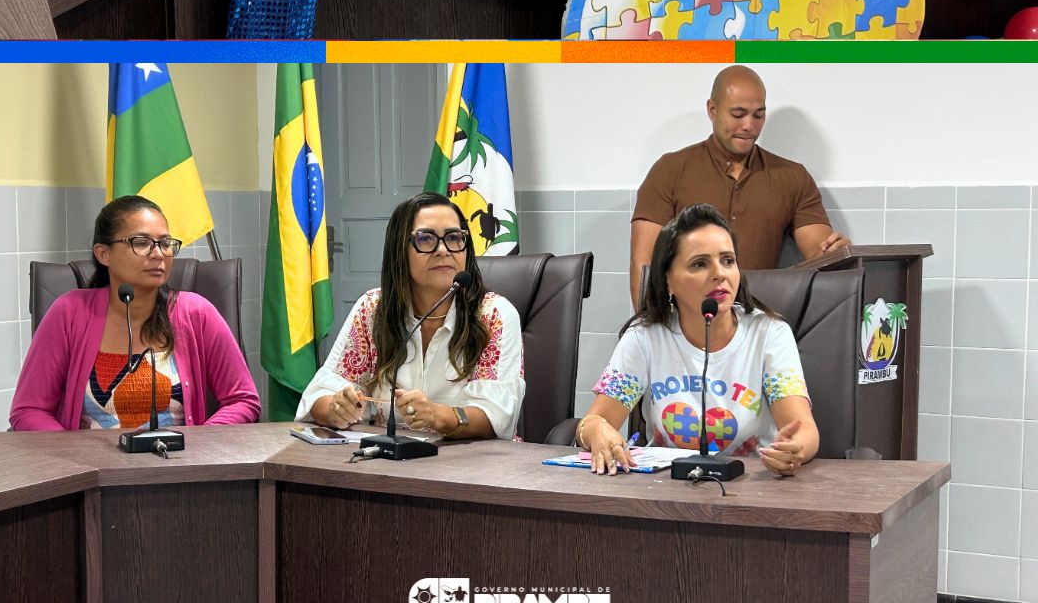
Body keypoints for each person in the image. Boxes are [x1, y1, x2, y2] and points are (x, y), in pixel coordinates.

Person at [580, 204, 819, 476]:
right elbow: (594, 421)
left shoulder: (769, 334)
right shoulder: (645, 337)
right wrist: (596, 429)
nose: (720, 273)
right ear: (668, 279)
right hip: (664, 489)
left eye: (728, 260)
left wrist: (795, 449)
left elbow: (803, 428)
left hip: (753, 485)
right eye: (700, 264)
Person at [10, 195, 260, 430]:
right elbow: (29, 410)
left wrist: (198, 446)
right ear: (103, 253)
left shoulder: (195, 312)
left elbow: (243, 401)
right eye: (141, 243)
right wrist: (74, 460)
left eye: (165, 243)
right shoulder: (70, 312)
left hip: (179, 470)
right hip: (91, 471)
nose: (158, 253)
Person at [296, 192, 524, 439]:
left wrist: (438, 416)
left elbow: (496, 417)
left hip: (473, 466)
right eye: (425, 239)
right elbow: (318, 396)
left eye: (454, 238)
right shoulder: (374, 309)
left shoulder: (493, 316)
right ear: (399, 250)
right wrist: (336, 408)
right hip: (390, 465)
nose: (442, 249)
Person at [629, 65, 847, 306]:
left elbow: (820, 256)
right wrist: (654, 329)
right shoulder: (670, 170)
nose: (749, 126)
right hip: (685, 324)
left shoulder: (793, 177)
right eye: (738, 114)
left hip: (760, 323)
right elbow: (644, 265)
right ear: (712, 110)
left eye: (758, 115)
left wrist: (836, 253)